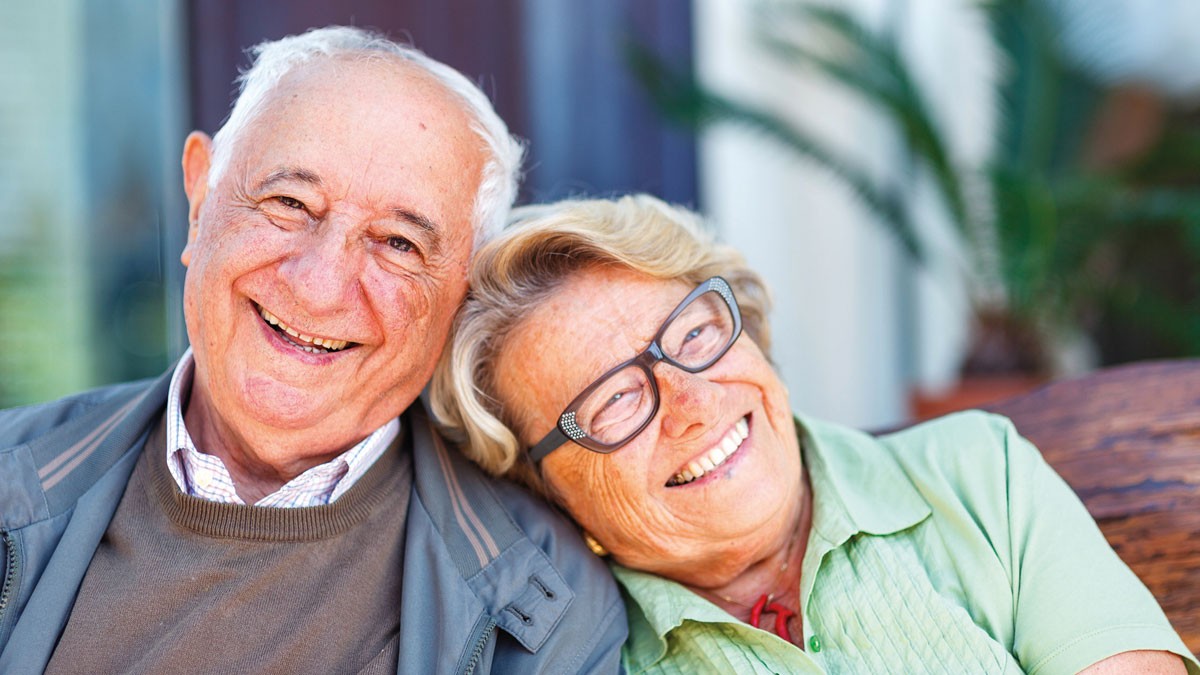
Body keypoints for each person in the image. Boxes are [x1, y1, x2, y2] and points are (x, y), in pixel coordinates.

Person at [0, 27, 626, 674]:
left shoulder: (544, 613)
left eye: (398, 244)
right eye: (289, 202)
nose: (319, 285)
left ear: (461, 296)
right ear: (198, 200)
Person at [431, 194, 1200, 674]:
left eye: (695, 333)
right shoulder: (589, 655)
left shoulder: (977, 471)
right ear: (546, 486)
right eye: (614, 398)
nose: (693, 400)